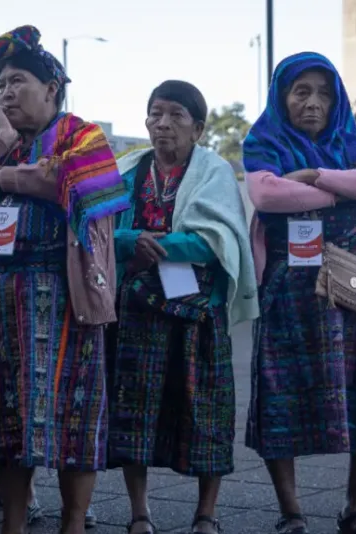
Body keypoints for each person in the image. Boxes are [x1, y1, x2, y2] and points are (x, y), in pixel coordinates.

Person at [0, 25, 129, 534]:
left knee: (73, 419)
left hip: (64, 298)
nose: (7, 93)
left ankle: (73, 523)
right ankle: (12, 524)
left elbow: (73, 181)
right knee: (7, 420)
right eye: (0, 85)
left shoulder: (82, 135)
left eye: (17, 81)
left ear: (51, 90)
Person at [242, 52, 356, 534]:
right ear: (282, 97)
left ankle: (355, 507)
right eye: (301, 91)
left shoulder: (355, 143)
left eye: (324, 92)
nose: (313, 102)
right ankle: (292, 512)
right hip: (287, 294)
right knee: (281, 396)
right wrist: (344, 190)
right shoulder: (263, 142)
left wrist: (315, 179)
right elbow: (268, 194)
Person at [108, 80, 259, 534]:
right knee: (132, 410)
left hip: (199, 313)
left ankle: (206, 515)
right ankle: (139, 514)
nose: (163, 124)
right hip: (137, 309)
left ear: (197, 127)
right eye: (156, 113)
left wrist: (156, 243)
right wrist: (127, 239)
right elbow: (102, 231)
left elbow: (219, 240)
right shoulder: (127, 172)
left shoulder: (214, 174)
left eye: (175, 115)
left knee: (207, 412)